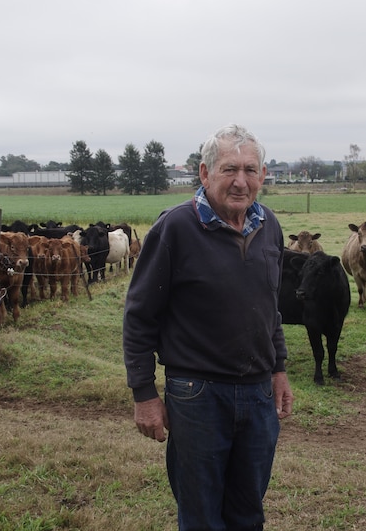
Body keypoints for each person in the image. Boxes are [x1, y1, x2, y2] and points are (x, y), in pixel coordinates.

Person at [123, 123, 294, 530]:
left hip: (256, 395)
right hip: (197, 395)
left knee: (248, 511)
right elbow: (139, 315)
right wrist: (144, 394)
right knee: (201, 516)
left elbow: (269, 308)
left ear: (263, 176)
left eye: (251, 170)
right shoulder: (175, 228)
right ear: (204, 173)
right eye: (229, 169)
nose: (241, 181)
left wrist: (279, 369)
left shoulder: (269, 226)